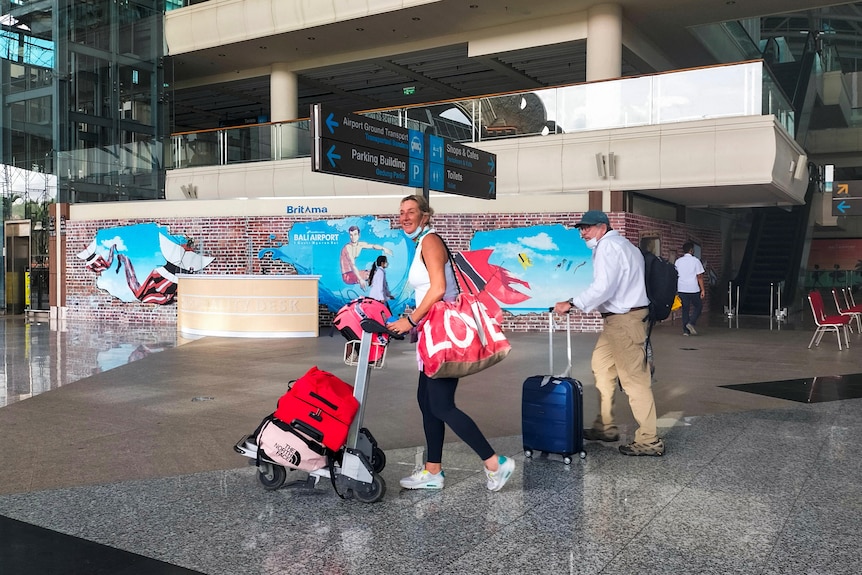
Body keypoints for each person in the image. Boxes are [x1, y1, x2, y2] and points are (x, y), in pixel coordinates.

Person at [387, 194, 515, 490]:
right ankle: (433, 472)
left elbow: (439, 288)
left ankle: (495, 463)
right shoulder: (422, 243)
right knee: (427, 401)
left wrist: (411, 320)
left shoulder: (431, 242)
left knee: (442, 406)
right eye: (401, 212)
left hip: (443, 335)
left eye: (411, 212)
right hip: (432, 334)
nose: (405, 217)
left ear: (425, 215)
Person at [553, 210, 664, 457]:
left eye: (588, 228)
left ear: (602, 227)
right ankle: (606, 426)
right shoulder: (624, 245)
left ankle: (649, 439)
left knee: (634, 380)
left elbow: (604, 287)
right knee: (601, 368)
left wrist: (571, 303)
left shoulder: (608, 247)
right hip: (617, 322)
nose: (583, 233)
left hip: (625, 321)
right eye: (581, 228)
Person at [340, 225, 392, 290]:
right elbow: (352, 265)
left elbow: (373, 246)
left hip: (353, 273)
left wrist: (383, 248)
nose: (353, 237)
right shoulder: (348, 248)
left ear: (359, 235)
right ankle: (377, 292)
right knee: (370, 274)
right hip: (347, 276)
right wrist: (360, 279)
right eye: (351, 235)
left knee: (375, 272)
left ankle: (378, 292)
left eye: (355, 234)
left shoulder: (360, 245)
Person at [675, 241, 705, 336]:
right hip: (693, 289)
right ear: (691, 250)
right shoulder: (696, 261)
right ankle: (691, 323)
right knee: (698, 306)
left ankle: (685, 331)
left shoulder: (678, 261)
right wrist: (702, 289)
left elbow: (675, 275)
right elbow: (699, 276)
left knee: (685, 309)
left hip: (681, 288)